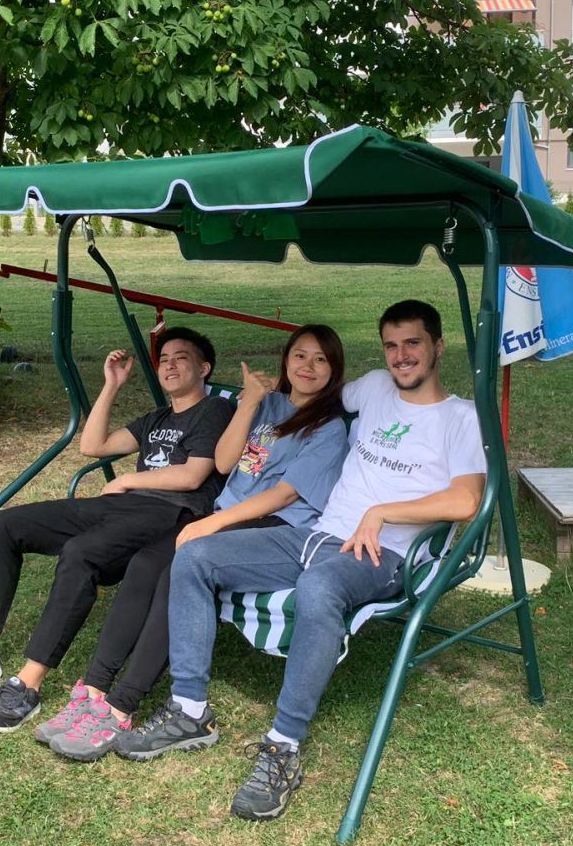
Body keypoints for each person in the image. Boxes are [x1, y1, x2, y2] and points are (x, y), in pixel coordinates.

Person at [114, 300, 487, 823]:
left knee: (318, 589)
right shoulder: (375, 387)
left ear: (438, 347)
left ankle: (283, 745)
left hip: (382, 552)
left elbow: (467, 501)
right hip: (312, 536)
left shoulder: (461, 417)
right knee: (194, 556)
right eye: (391, 345)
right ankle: (190, 710)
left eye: (413, 344)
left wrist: (383, 512)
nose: (401, 356)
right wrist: (261, 393)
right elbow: (311, 389)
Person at [41, 325, 350, 762]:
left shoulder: (328, 428)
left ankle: (121, 706)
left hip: (271, 526)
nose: (308, 367)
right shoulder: (267, 405)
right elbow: (224, 462)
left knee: (176, 572)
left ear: (334, 369)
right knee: (145, 564)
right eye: (300, 355)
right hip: (222, 514)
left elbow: (283, 496)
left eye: (321, 360)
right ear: (286, 359)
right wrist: (250, 402)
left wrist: (213, 523)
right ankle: (94, 689)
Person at [0, 327, 236, 736]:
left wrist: (128, 480)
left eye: (181, 358)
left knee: (82, 553)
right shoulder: (157, 418)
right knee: (6, 524)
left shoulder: (214, 411)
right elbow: (92, 446)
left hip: (170, 514)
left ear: (204, 369)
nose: (169, 365)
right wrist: (111, 386)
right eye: (164, 359)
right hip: (122, 506)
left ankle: (27, 684)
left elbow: (193, 475)